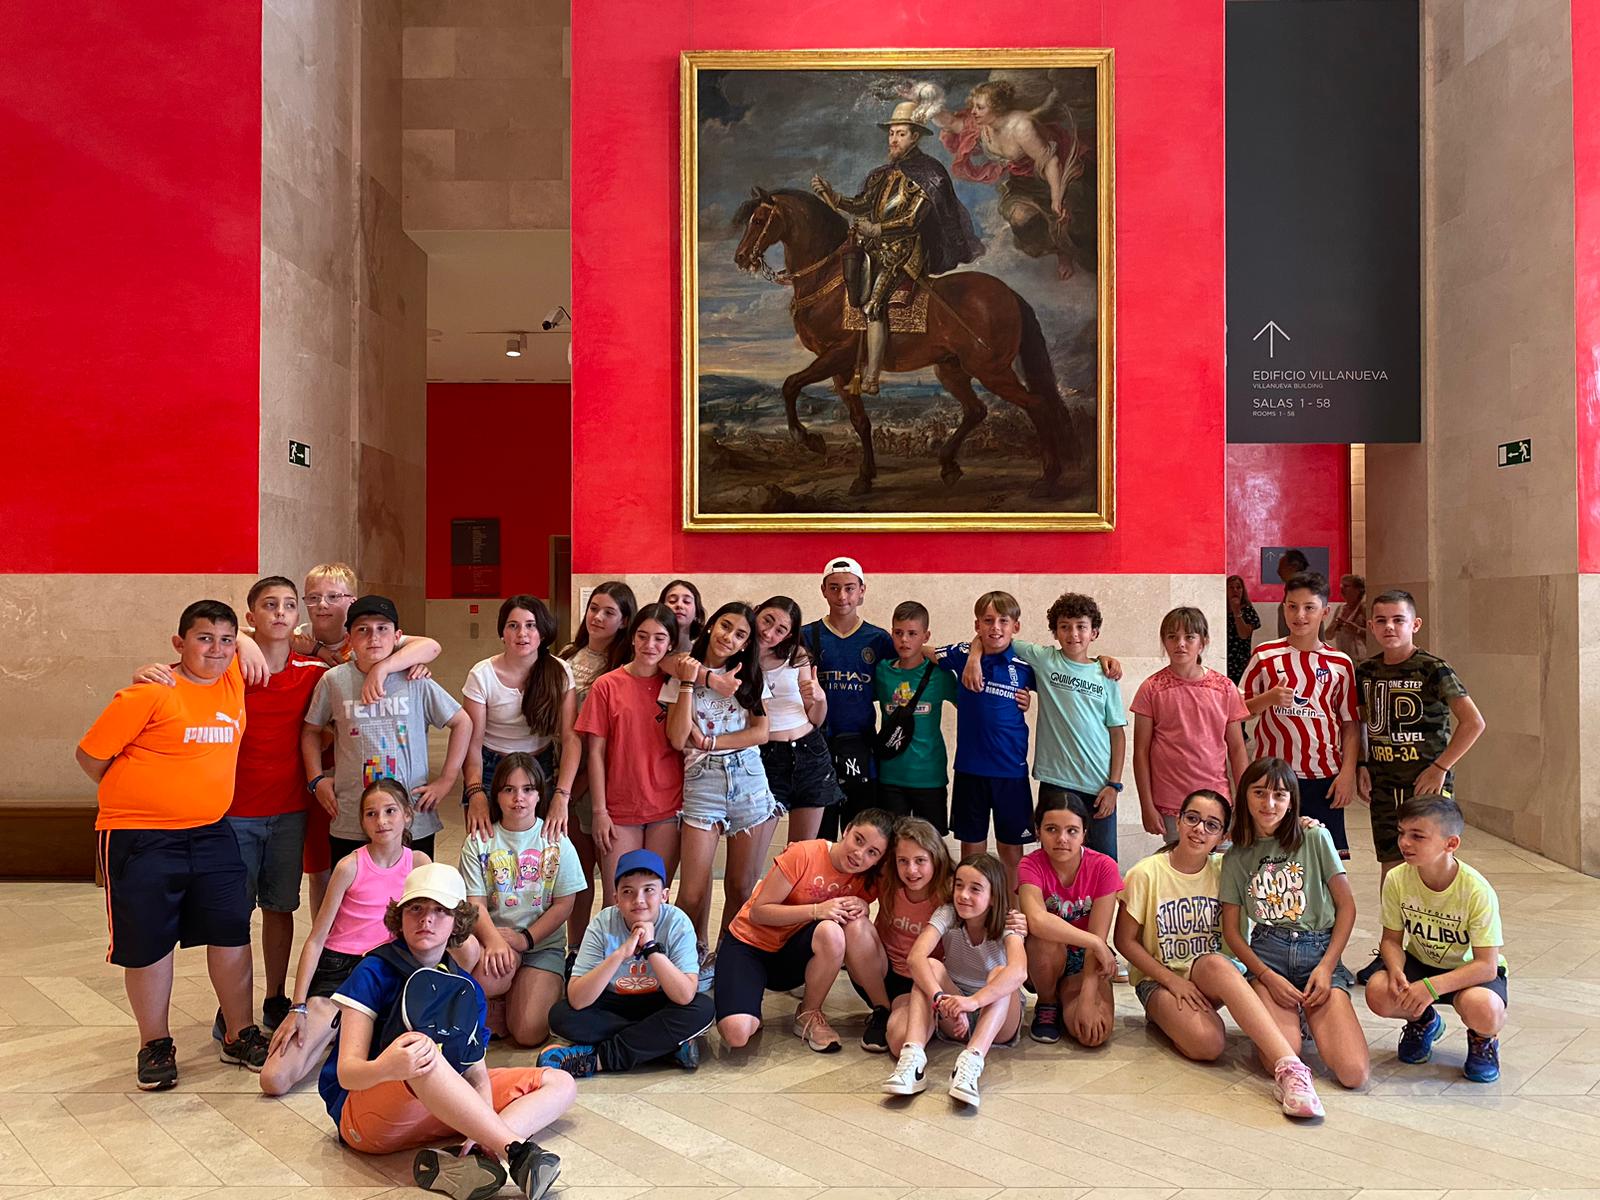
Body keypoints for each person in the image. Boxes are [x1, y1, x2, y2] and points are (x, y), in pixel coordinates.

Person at [76, 600, 265, 1089]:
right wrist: (142, 790)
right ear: (178, 644)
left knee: (231, 931)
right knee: (148, 940)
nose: (217, 650)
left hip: (211, 829)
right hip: (140, 835)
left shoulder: (232, 679)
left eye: (226, 641)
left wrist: (238, 639)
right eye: (204, 639)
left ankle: (239, 1032)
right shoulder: (148, 693)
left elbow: (261, 634)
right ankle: (155, 1043)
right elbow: (90, 757)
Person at [132, 576, 330, 1034]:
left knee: (281, 907)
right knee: (231, 916)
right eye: (268, 605)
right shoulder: (227, 668)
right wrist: (148, 672)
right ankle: (232, 1009)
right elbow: (179, 674)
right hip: (231, 814)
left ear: (298, 617)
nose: (279, 613)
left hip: (289, 813)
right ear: (250, 616)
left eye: (288, 605)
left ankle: (275, 997)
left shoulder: (314, 672)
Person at [317, 862, 572, 1200]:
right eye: (415, 908)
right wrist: (388, 1066)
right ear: (400, 916)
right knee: (419, 1047)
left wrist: (475, 1126)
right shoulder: (373, 969)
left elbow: (477, 1078)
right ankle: (517, 1152)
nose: (426, 919)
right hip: (367, 1119)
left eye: (440, 910)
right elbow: (348, 1074)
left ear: (457, 922)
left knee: (560, 1082)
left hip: (438, 1111)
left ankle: (478, 1155)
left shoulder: (466, 987)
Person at [1115, 789, 1325, 1119]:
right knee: (1208, 1046)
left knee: (1215, 962)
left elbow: (1276, 853)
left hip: (1216, 976)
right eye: (1193, 818)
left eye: (1212, 825)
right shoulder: (1145, 873)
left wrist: (1301, 826)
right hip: (1162, 980)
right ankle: (1164, 1014)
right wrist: (1172, 982)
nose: (1200, 829)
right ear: (1179, 820)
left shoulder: (1228, 867)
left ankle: (1292, 1071)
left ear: (1224, 834)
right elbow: (1125, 941)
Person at [291, 564, 441, 916]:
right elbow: (247, 632)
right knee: (332, 878)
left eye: (333, 596)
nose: (322, 604)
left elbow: (430, 645)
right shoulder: (297, 637)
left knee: (410, 887)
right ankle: (335, 954)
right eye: (313, 597)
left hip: (396, 796)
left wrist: (385, 667)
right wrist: (315, 779)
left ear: (350, 600)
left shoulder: (383, 643)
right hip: (338, 789)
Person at [261, 778, 427, 1096]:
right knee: (274, 1080)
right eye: (371, 814)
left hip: (387, 970)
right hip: (340, 970)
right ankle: (338, 1029)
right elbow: (316, 938)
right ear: (362, 822)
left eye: (390, 811)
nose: (381, 821)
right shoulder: (349, 867)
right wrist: (297, 1006)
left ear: (407, 814)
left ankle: (355, 1031)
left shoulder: (418, 864)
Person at [1353, 590, 1485, 982]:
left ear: (1415, 624)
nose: (1389, 627)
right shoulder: (1367, 671)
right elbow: (1360, 721)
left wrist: (1441, 766)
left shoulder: (1433, 668)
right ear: (1371, 625)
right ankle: (1389, 949)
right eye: (1381, 620)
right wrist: (1362, 762)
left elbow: (1474, 722)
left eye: (1397, 619)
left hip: (1426, 786)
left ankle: (1437, 950)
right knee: (1391, 866)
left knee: (1431, 863)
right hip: (1383, 783)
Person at [810, 102, 983, 393]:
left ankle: (872, 378)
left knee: (874, 305)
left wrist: (878, 229)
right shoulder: (881, 174)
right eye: (891, 133)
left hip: (903, 252)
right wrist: (833, 196)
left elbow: (913, 219)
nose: (893, 139)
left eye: (900, 134)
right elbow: (860, 205)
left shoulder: (930, 174)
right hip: (874, 249)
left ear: (915, 136)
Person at [1219, 759, 1369, 1090]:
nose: (1268, 804)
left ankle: (1311, 1016)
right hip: (1268, 955)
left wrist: (1327, 968)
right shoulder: (1236, 856)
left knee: (1353, 1073)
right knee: (1285, 1055)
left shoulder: (1314, 837)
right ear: (1245, 795)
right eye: (1259, 793)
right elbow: (1232, 931)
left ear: (1291, 801)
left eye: (1279, 795)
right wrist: (1266, 976)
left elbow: (1346, 907)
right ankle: (1292, 1017)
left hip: (1319, 952)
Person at [301, 595, 471, 864]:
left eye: (383, 629)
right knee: (355, 896)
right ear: (350, 639)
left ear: (397, 636)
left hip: (412, 815)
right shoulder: (334, 681)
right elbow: (311, 730)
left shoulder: (414, 679)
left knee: (415, 897)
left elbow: (462, 721)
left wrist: (446, 780)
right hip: (352, 815)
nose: (374, 637)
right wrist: (316, 779)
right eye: (363, 630)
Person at [713, 809, 895, 1053]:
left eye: (872, 852)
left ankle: (809, 1013)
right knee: (737, 1034)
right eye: (858, 840)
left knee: (832, 931)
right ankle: (745, 999)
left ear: (878, 860)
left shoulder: (865, 879)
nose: (859, 854)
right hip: (750, 945)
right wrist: (816, 910)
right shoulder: (804, 853)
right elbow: (759, 912)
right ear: (847, 829)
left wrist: (862, 904)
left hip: (793, 957)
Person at [972, 591, 1126, 860]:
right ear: (1055, 632)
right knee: (1056, 860)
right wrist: (974, 658)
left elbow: (1117, 734)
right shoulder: (1044, 659)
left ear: (1095, 633)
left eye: (1081, 627)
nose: (1073, 634)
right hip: (1056, 782)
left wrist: (1114, 785)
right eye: (1064, 627)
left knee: (1104, 863)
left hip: (1099, 787)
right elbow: (995, 637)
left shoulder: (1105, 674)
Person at [663, 601, 778, 962]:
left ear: (746, 643)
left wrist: (713, 742)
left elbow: (761, 733)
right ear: (711, 625)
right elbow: (677, 738)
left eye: (740, 634)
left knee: (741, 887)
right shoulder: (684, 671)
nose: (729, 637)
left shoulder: (750, 675)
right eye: (725, 626)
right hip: (702, 783)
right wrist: (685, 682)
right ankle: (684, 957)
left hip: (748, 778)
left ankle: (729, 958)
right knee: (692, 892)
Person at [1363, 796, 1507, 1083]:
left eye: (1417, 836)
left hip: (1468, 971)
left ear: (1450, 844)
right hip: (1420, 962)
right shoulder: (1396, 878)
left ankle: (1482, 1041)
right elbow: (1391, 940)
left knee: (1486, 1010)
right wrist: (1395, 971)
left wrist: (1430, 987)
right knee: (1378, 992)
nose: (1405, 842)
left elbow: (1486, 966)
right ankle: (1423, 1022)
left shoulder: (1477, 890)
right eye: (1402, 833)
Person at [538, 849, 715, 1077]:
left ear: (664, 895)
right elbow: (578, 999)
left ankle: (598, 1059)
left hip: (661, 1002)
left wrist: (651, 948)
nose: (638, 900)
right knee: (561, 1016)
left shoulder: (677, 922)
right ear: (616, 899)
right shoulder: (603, 923)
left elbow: (684, 995)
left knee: (702, 1009)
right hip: (614, 1004)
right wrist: (621, 953)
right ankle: (665, 1047)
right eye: (628, 891)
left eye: (649, 890)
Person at [881, 853, 1027, 1109]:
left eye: (975, 889)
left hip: (997, 1015)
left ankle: (970, 1062)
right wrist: (941, 1000)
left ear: (993, 897)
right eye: (959, 885)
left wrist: (972, 1002)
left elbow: (1019, 973)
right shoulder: (948, 913)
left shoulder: (1007, 920)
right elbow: (916, 957)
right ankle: (913, 1061)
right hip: (954, 1005)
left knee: (1000, 973)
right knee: (930, 966)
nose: (963, 895)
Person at [459, 753, 585, 1048]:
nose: (519, 798)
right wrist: (496, 942)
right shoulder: (479, 841)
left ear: (539, 793)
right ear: (497, 795)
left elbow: (565, 904)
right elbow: (474, 903)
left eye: (527, 789)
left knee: (528, 1033)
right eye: (508, 789)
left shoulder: (555, 840)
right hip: (493, 942)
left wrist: (525, 940)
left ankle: (511, 1000)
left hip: (541, 947)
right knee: (490, 982)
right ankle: (501, 995)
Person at [1239, 572, 1360, 859]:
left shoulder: (1340, 663)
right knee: (1271, 857)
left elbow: (1350, 725)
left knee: (1324, 859)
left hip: (1324, 776)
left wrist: (1347, 774)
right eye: (1292, 606)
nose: (1300, 614)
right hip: (1273, 777)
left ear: (1325, 612)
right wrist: (1267, 699)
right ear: (1283, 607)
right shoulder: (1265, 655)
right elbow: (1236, 712)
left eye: (1309, 607)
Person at [574, 603, 684, 906]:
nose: (650, 645)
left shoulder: (677, 687)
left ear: (671, 643)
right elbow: (595, 753)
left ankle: (651, 955)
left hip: (668, 806)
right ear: (632, 638)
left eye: (659, 638)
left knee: (654, 899)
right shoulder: (606, 686)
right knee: (617, 900)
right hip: (619, 809)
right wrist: (600, 812)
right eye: (643, 636)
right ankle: (615, 955)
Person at [559, 581, 637, 964]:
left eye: (609, 612)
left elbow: (604, 739)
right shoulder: (568, 655)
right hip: (564, 776)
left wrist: (579, 787)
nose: (597, 617)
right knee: (576, 872)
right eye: (593, 608)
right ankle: (576, 948)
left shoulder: (623, 667)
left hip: (600, 779)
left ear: (624, 622)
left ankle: (608, 954)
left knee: (609, 874)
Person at [461, 595, 580, 841]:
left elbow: (571, 738)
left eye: (530, 625)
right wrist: (475, 793)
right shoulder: (482, 675)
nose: (521, 633)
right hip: (490, 765)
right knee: (486, 846)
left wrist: (562, 795)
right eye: (513, 625)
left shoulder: (559, 672)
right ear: (502, 633)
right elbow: (471, 743)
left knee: (541, 849)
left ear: (543, 632)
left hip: (539, 764)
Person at [939, 590, 1035, 890]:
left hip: (1011, 772)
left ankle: (1011, 913)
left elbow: (1067, 664)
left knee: (1011, 852)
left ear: (1015, 626)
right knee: (972, 850)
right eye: (988, 621)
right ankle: (972, 912)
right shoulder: (962, 653)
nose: (995, 627)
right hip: (971, 770)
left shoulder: (1025, 664)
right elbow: (923, 650)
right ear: (977, 624)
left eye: (1003, 621)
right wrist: (973, 655)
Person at [1130, 607, 1249, 843]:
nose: (1180, 644)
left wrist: (1245, 804)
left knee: (1219, 870)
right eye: (1172, 637)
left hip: (1216, 799)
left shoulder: (1224, 688)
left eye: (1189, 637)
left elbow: (1237, 749)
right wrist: (1146, 805)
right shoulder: (1151, 688)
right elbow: (1140, 752)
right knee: (1180, 870)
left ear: (1203, 642)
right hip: (1171, 803)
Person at [1017, 791, 1122, 1048]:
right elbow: (1037, 919)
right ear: (1038, 831)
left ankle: (1069, 993)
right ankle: (1048, 1000)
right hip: (1044, 957)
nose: (1062, 839)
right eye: (1052, 829)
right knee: (1045, 937)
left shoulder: (1104, 867)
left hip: (1085, 959)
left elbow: (1098, 934)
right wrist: (1096, 943)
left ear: (1085, 833)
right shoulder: (1030, 865)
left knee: (1093, 1032)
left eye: (1072, 831)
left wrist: (1087, 996)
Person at [801, 557, 894, 837]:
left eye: (850, 588)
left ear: (862, 590)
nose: (842, 596)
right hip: (818, 748)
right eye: (835, 588)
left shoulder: (878, 639)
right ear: (823, 590)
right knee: (822, 837)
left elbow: (909, 661)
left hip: (862, 749)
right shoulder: (807, 636)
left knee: (861, 833)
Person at [755, 595, 842, 844]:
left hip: (809, 753)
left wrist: (820, 698)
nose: (769, 633)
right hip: (765, 756)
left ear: (789, 635)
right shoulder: (738, 656)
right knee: (752, 858)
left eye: (780, 630)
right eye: (767, 620)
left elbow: (815, 718)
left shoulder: (797, 655)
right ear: (757, 613)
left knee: (800, 854)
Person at [868, 817, 955, 1055]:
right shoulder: (888, 882)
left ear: (936, 859)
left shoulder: (951, 892)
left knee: (900, 1041)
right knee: (856, 925)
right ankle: (881, 1010)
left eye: (920, 861)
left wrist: (1014, 922)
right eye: (903, 861)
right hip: (889, 975)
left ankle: (927, 1018)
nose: (911, 870)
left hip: (927, 978)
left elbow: (988, 903)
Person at [875, 601, 959, 834]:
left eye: (912, 634)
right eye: (898, 633)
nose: (904, 640)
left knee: (930, 850)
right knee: (891, 848)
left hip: (929, 776)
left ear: (925, 636)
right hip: (890, 775)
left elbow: (971, 705)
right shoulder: (882, 671)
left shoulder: (940, 674)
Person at [1225, 575, 1260, 685]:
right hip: (1224, 658)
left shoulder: (1247, 610)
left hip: (1240, 661)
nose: (1235, 590)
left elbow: (1244, 634)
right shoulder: (1220, 608)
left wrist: (1236, 612)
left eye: (1238, 587)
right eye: (1231, 588)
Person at [1325, 573, 1369, 661]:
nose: (1341, 589)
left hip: (1361, 659)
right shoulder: (1340, 608)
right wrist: (1336, 624)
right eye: (1341, 585)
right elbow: (1328, 636)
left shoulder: (1364, 608)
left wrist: (1357, 629)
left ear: (1358, 590)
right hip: (1342, 658)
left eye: (1346, 586)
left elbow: (1374, 635)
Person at [658, 579, 706, 655]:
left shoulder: (702, 656)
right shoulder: (651, 653)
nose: (679, 605)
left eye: (686, 601)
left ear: (697, 612)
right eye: (672, 601)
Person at [1274, 550, 1310, 637]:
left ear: (1294, 566)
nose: (1278, 571)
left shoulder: (1302, 589)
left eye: (1282, 566)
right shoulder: (1293, 589)